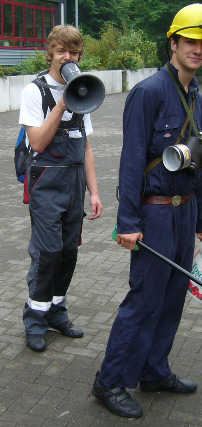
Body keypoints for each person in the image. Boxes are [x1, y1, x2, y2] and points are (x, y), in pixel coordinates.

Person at [92, 3, 202, 418]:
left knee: (172, 298)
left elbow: (199, 161)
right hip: (154, 214)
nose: (198, 50)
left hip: (185, 213)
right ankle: (109, 381)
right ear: (174, 42)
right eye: (191, 42)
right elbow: (131, 162)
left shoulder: (196, 95)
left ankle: (154, 371)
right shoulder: (148, 93)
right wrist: (126, 221)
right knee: (145, 299)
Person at [19, 25, 103, 352]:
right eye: (61, 51)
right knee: (48, 252)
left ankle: (56, 311)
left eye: (74, 52)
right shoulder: (34, 91)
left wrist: (94, 192)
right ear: (51, 53)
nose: (68, 58)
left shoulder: (85, 90)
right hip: (46, 184)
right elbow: (37, 142)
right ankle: (35, 319)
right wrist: (62, 104)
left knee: (69, 252)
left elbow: (87, 148)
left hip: (75, 184)